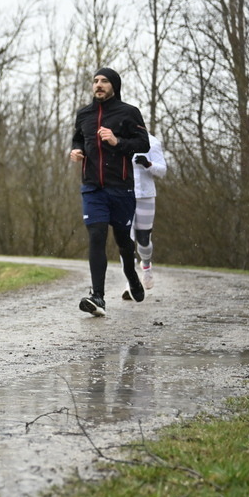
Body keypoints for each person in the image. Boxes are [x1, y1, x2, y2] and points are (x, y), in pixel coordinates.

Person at [69, 68, 150, 317]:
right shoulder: (84, 114)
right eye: (95, 81)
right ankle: (98, 297)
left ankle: (131, 275)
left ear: (114, 85)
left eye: (104, 81)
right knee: (96, 235)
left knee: (123, 241)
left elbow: (143, 144)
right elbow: (78, 139)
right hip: (93, 187)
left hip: (121, 187)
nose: (98, 85)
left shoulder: (128, 113)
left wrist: (117, 142)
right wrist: (75, 151)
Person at [122, 133, 167, 298]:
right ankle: (130, 283)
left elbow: (162, 170)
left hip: (145, 195)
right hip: (124, 195)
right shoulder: (119, 140)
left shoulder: (152, 142)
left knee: (143, 240)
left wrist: (148, 164)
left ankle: (146, 265)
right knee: (125, 240)